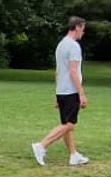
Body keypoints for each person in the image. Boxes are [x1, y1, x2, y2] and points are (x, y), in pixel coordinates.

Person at [30, 17, 89, 167]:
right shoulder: (74, 46)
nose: (83, 31)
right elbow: (73, 71)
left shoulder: (61, 45)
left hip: (62, 91)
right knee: (69, 125)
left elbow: (58, 71)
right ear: (76, 27)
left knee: (66, 124)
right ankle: (41, 145)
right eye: (82, 28)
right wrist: (81, 93)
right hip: (70, 91)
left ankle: (73, 155)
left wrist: (57, 92)